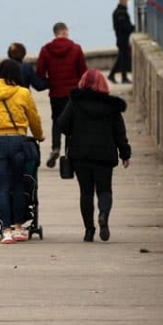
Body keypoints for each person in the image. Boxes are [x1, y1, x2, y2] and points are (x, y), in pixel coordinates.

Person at [50, 69, 131, 242]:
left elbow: (62, 124)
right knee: (104, 190)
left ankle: (89, 231)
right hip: (104, 156)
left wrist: (75, 129)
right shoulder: (111, 106)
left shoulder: (75, 103)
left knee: (86, 193)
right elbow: (119, 133)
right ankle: (103, 215)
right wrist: (125, 153)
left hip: (81, 155)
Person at [0, 59, 44, 244]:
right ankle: (18, 228)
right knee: (18, 185)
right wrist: (39, 135)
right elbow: (33, 117)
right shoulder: (23, 93)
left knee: (2, 186)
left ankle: (5, 230)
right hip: (18, 139)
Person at [36, 22, 88, 121]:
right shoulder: (76, 48)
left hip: (55, 94)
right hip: (73, 93)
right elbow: (83, 72)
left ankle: (56, 137)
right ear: (64, 32)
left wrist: (51, 82)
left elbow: (40, 74)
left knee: (56, 121)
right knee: (74, 122)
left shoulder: (45, 50)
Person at [109, 0, 134, 84]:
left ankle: (113, 75)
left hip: (122, 38)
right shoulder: (120, 13)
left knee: (122, 58)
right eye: (127, 1)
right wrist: (133, 28)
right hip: (122, 38)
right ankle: (123, 77)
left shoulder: (120, 11)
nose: (128, 3)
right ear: (123, 1)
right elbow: (124, 26)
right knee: (123, 58)